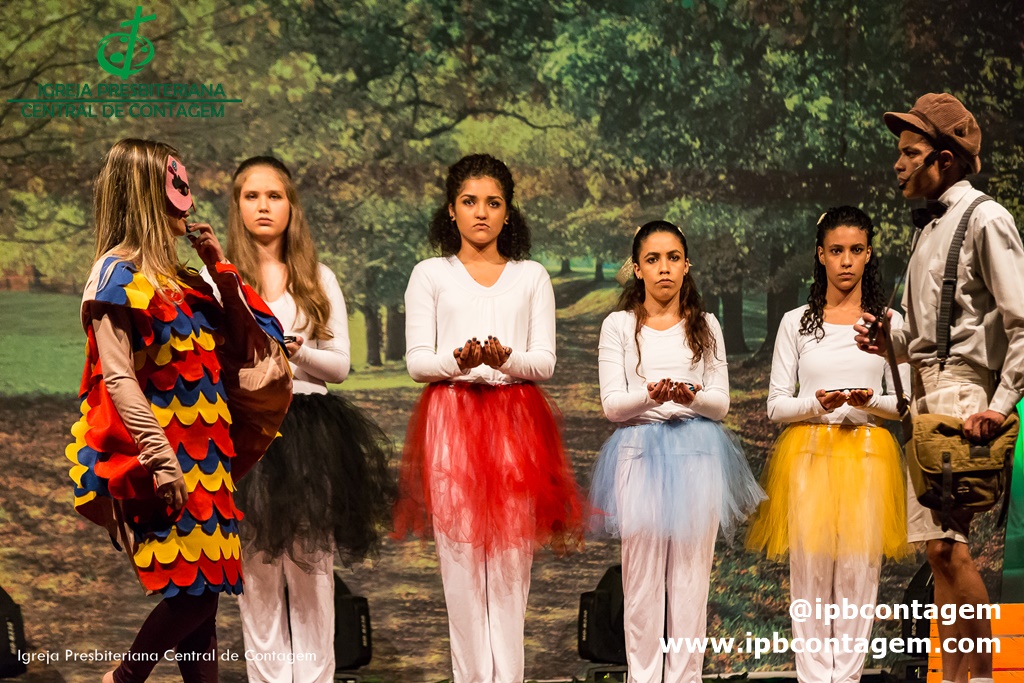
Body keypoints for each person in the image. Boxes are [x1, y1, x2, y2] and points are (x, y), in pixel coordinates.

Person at [66, 139, 290, 683]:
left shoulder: (184, 279)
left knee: (203, 596)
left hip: (208, 459)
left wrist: (217, 263)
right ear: (146, 192)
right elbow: (117, 376)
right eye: (174, 186)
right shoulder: (116, 276)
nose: (186, 198)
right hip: (164, 458)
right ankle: (122, 679)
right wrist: (161, 458)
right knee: (193, 596)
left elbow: (248, 335)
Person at [393, 153, 585, 683]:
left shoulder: (531, 276)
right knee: (459, 567)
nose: (481, 212)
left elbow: (543, 362)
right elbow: (417, 362)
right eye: (469, 201)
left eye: (493, 202)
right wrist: (460, 361)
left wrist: (504, 359)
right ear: (451, 210)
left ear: (508, 211)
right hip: (450, 419)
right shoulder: (430, 274)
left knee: (508, 569)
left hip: (515, 421)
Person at [855, 93, 1024, 683]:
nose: (898, 164)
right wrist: (889, 337)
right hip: (926, 397)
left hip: (964, 396)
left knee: (949, 548)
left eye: (910, 153)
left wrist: (1000, 407)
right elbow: (923, 335)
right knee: (938, 551)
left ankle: (982, 679)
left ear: (944, 160)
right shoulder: (928, 230)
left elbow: (1021, 323)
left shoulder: (985, 219)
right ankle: (954, 679)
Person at [218, 156, 395, 682]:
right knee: (257, 578)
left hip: (308, 434)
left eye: (274, 195)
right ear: (237, 205)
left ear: (291, 205)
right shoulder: (216, 279)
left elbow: (339, 366)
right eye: (252, 196)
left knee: (313, 577)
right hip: (247, 433)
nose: (263, 206)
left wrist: (296, 351)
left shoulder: (317, 278)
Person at [588, 220, 764, 683]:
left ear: (687, 265)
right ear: (637, 269)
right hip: (639, 452)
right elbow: (612, 405)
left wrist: (689, 396)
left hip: (697, 452)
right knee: (642, 585)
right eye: (652, 259)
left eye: (672, 258)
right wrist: (651, 395)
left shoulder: (705, 325)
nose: (663, 268)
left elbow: (720, 403)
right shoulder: (619, 326)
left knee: (690, 585)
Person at [747, 206, 910, 683]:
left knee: (859, 574)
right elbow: (776, 405)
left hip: (867, 453)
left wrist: (868, 401)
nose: (846, 261)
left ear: (869, 254)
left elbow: (905, 404)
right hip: (810, 453)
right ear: (820, 255)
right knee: (811, 575)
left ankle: (849, 676)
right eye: (836, 250)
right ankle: (814, 677)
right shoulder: (797, 322)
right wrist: (816, 403)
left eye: (856, 250)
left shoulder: (888, 323)